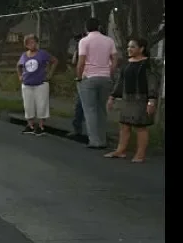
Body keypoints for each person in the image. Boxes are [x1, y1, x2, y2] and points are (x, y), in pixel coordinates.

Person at [104, 38, 158, 163]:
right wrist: (112, 97)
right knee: (124, 125)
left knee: (141, 127)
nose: (129, 49)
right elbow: (120, 82)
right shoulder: (127, 64)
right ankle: (120, 150)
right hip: (127, 99)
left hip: (141, 99)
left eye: (133, 47)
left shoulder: (147, 64)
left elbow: (152, 83)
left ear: (141, 49)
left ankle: (140, 154)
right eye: (128, 46)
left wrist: (151, 101)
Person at [77, 17, 118, 149]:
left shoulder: (84, 41)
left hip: (89, 76)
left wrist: (78, 76)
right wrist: (110, 73)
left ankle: (95, 140)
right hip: (105, 77)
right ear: (99, 26)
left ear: (86, 28)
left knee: (90, 110)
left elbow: (81, 61)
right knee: (102, 109)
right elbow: (115, 60)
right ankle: (103, 139)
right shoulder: (109, 40)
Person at [17, 34, 58, 135]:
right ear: (26, 45)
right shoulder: (24, 55)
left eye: (33, 42)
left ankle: (41, 126)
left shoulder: (42, 54)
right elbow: (18, 66)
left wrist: (50, 74)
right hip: (27, 84)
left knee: (41, 104)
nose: (32, 44)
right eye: (29, 43)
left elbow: (55, 61)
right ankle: (30, 125)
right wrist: (20, 76)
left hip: (40, 83)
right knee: (28, 105)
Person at [67, 33, 86, 137]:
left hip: (84, 79)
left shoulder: (82, 48)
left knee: (80, 105)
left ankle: (77, 128)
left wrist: (79, 78)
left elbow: (76, 62)